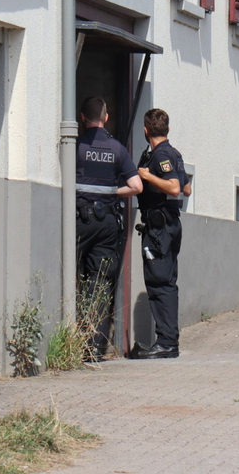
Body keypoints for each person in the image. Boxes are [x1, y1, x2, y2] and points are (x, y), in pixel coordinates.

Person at [76, 97, 143, 359]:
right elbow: (137, 186)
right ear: (106, 118)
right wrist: (112, 191)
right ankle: (94, 348)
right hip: (106, 223)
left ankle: (72, 340)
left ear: (82, 118)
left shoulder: (76, 145)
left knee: (70, 273)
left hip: (79, 220)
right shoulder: (117, 149)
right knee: (100, 281)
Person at [133, 108, 191, 359]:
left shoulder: (161, 155)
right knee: (166, 281)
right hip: (169, 225)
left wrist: (147, 175)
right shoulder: (174, 154)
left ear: (145, 130)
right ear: (167, 129)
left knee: (159, 282)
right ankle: (168, 340)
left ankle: (166, 342)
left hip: (160, 228)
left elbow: (176, 188)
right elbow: (187, 188)